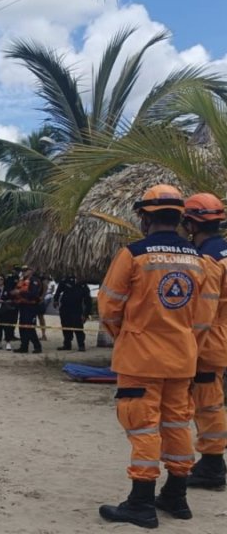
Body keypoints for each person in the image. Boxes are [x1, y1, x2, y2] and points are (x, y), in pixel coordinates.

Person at [98, 185, 215, 528]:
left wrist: (128, 338)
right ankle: (176, 497)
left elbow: (109, 306)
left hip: (140, 360)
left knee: (144, 427)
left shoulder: (133, 254)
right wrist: (187, 342)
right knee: (178, 423)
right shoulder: (199, 259)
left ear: (145, 217)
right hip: (182, 359)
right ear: (180, 217)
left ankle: (141, 503)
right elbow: (203, 315)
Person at [181, 193, 227, 489]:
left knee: (208, 403)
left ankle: (212, 465)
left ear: (190, 224)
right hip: (223, 336)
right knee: (214, 399)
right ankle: (212, 461)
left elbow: (203, 312)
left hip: (210, 340)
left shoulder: (208, 260)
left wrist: (188, 347)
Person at [54, 276, 91, 351]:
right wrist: (55, 299)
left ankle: (81, 345)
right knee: (65, 326)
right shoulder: (67, 280)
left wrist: (85, 315)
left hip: (76, 310)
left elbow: (88, 303)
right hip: (65, 308)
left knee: (78, 328)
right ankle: (67, 345)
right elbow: (58, 290)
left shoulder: (84, 287)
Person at [11, 265, 43, 354]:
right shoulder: (22, 280)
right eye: (23, 270)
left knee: (30, 327)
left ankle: (37, 346)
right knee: (22, 327)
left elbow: (34, 294)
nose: (24, 272)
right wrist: (14, 293)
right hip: (22, 306)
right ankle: (24, 346)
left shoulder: (34, 281)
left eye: (26, 270)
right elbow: (16, 291)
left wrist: (20, 292)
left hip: (31, 307)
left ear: (31, 271)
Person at [0, 264, 22, 347]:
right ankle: (8, 335)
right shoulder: (10, 278)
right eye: (16, 270)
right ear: (13, 270)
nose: (17, 271)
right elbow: (7, 289)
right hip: (9, 300)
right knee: (8, 319)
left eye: (18, 270)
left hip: (17, 301)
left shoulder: (20, 279)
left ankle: (11, 334)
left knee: (14, 319)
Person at [36, 274, 55, 341]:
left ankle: (43, 334)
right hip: (34, 299)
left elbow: (45, 286)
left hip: (39, 300)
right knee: (37, 318)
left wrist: (42, 297)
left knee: (41, 318)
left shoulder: (42, 278)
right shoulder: (35, 276)